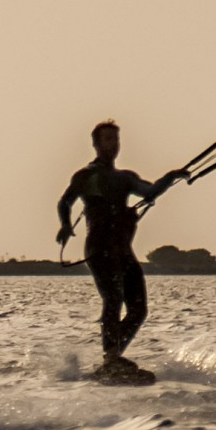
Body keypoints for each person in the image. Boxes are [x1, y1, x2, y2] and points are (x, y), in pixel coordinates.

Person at [56, 121, 185, 376]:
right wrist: (65, 225)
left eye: (115, 140)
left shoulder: (125, 178)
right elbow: (65, 201)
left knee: (139, 309)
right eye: (107, 140)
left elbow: (150, 191)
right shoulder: (88, 176)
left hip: (123, 250)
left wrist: (172, 176)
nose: (112, 145)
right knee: (113, 299)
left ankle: (111, 358)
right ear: (95, 144)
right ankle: (112, 359)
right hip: (99, 248)